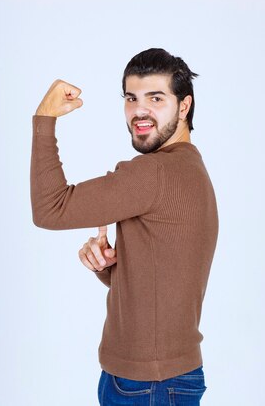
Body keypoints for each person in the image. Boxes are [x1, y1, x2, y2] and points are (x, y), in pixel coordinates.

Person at [30, 48, 219, 405]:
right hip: (160, 379)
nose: (139, 111)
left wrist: (44, 119)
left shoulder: (154, 172)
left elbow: (50, 208)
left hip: (149, 385)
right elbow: (167, 284)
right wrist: (112, 268)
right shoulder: (190, 169)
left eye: (156, 98)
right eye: (131, 98)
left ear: (184, 106)